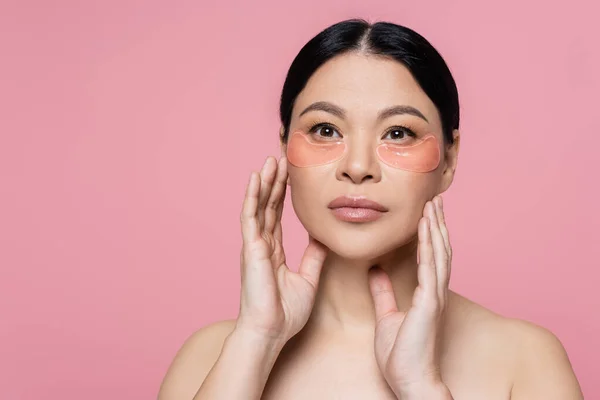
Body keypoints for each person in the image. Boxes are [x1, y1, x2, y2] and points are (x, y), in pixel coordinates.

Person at [158, 19, 583, 399]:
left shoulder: (525, 362)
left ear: (450, 161)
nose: (358, 167)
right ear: (284, 145)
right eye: (326, 130)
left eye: (398, 133)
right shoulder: (210, 359)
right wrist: (256, 340)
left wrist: (422, 388)